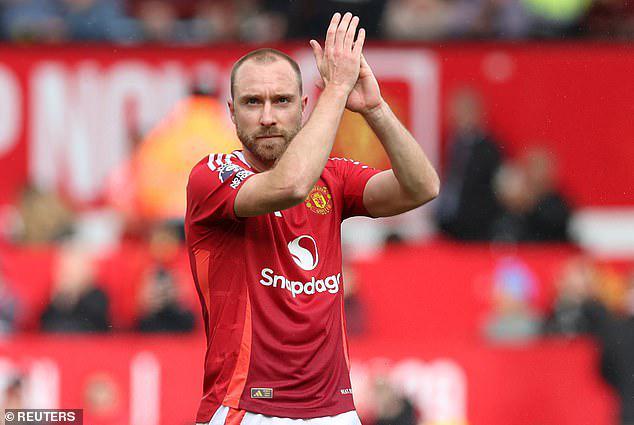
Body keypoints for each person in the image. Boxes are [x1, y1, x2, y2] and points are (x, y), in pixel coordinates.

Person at [185, 12, 439, 425]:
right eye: (253, 102)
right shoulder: (211, 176)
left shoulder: (333, 177)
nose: (268, 117)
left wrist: (374, 108)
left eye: (282, 101)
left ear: (303, 108)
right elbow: (290, 185)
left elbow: (422, 186)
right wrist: (336, 89)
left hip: (335, 411)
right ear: (232, 112)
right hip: (246, 408)